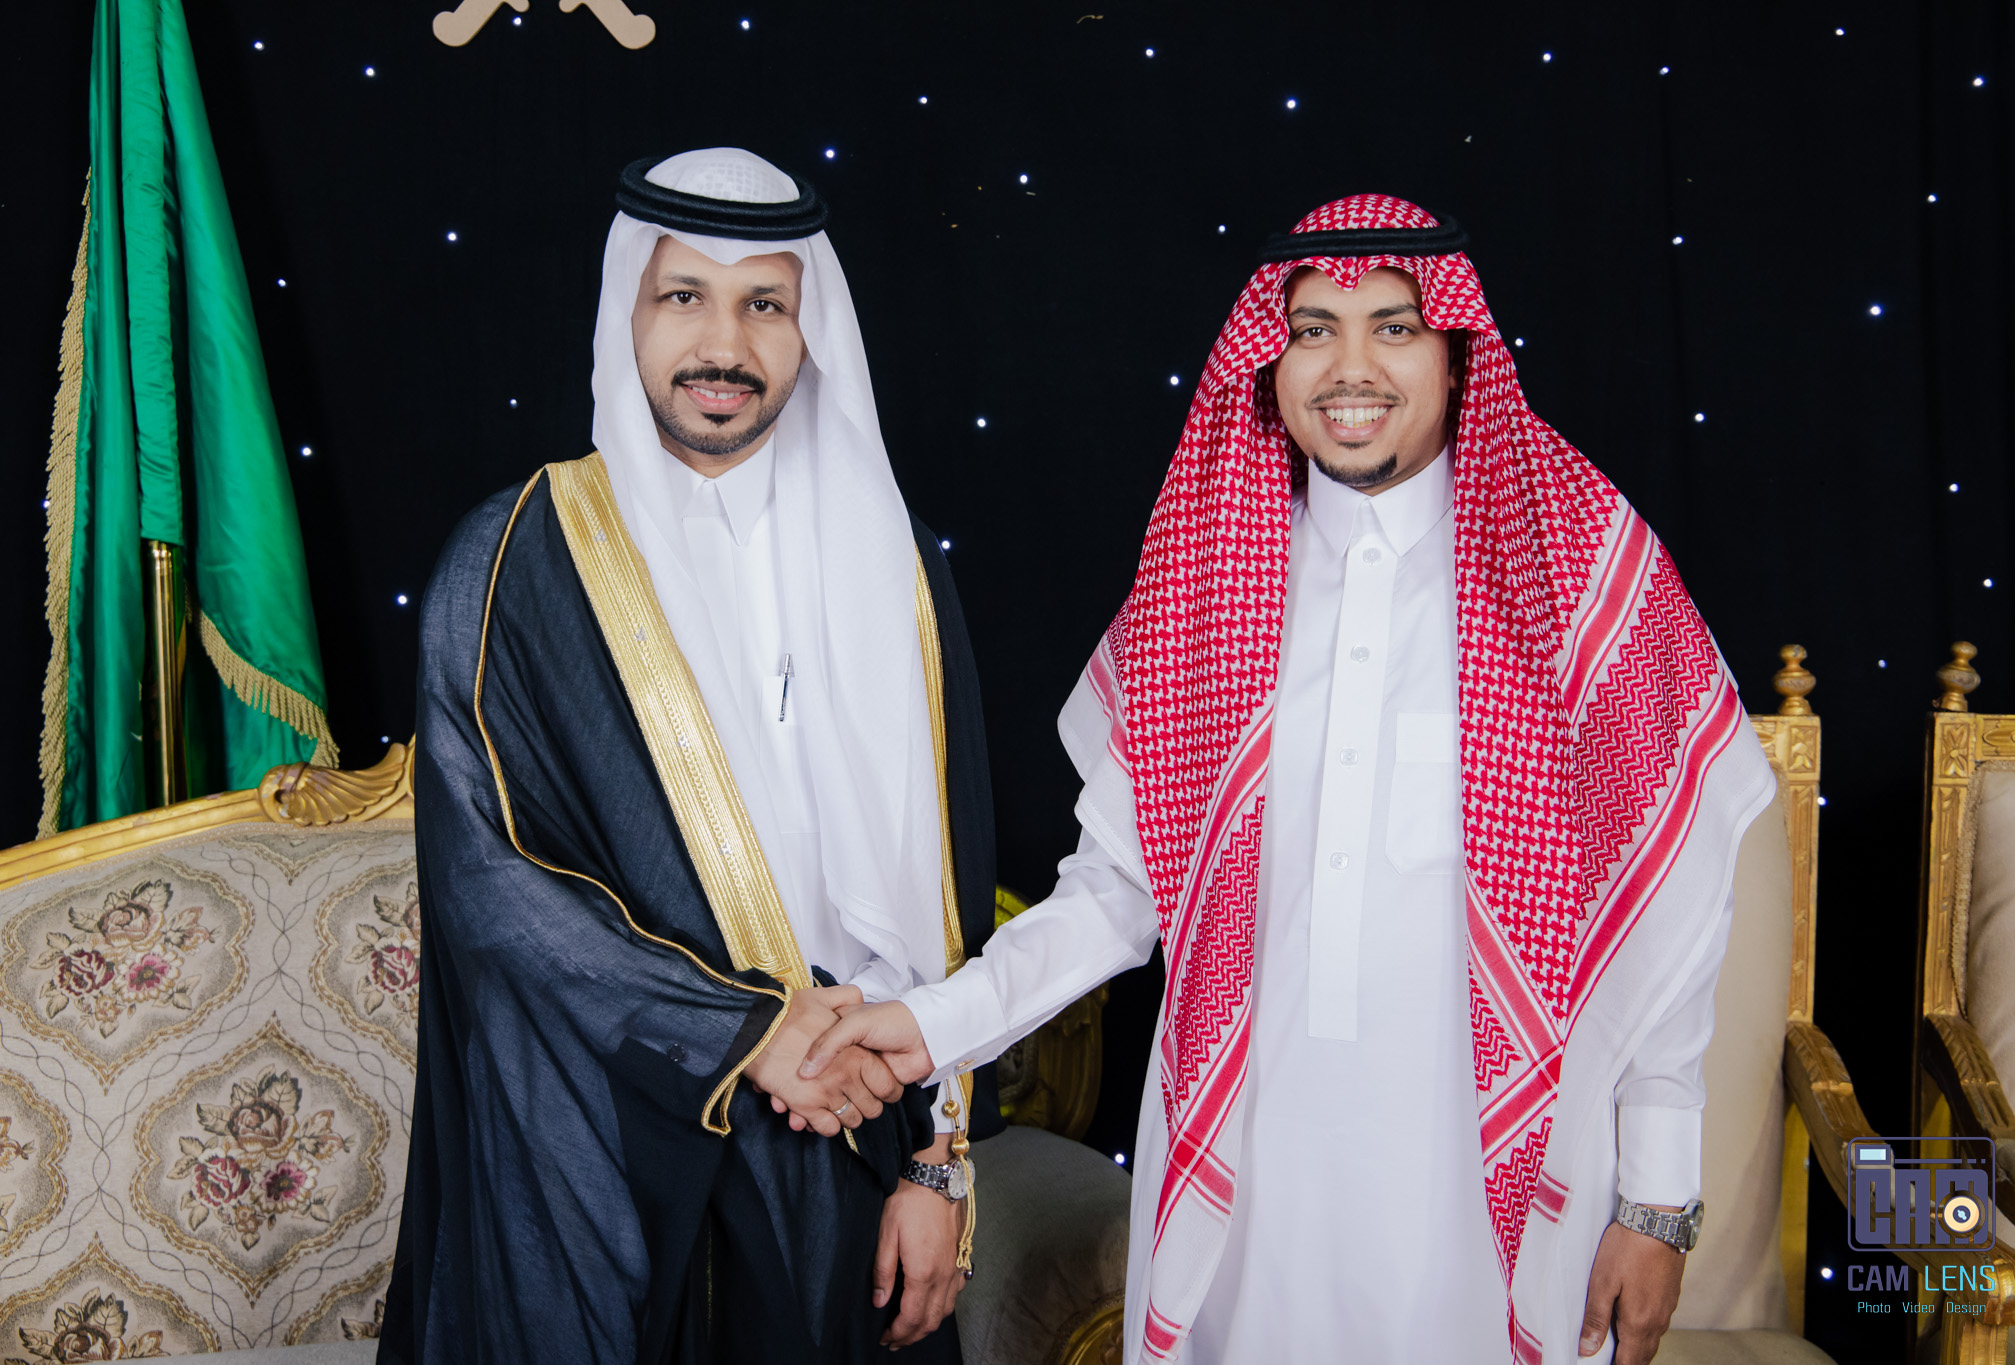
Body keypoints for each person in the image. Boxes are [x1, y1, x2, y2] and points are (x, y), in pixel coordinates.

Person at [801, 195, 1773, 1364]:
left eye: (1392, 327)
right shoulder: (1208, 583)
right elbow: (1115, 897)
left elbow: (1673, 909)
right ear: (1270, 358)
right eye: (1312, 329)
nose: (1348, 367)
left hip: (1495, 1197)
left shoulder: (1576, 574)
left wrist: (1655, 1201)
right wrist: (931, 1026)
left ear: (1455, 352)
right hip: (1250, 1187)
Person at [379, 147, 1003, 1365]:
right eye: (685, 297)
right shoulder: (514, 557)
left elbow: (947, 894)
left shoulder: (895, 568)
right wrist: (746, 1032)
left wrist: (939, 1165)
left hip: (852, 1136)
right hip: (595, 1138)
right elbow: (490, 888)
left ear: (810, 329)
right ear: (629, 311)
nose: (724, 343)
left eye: (764, 303)